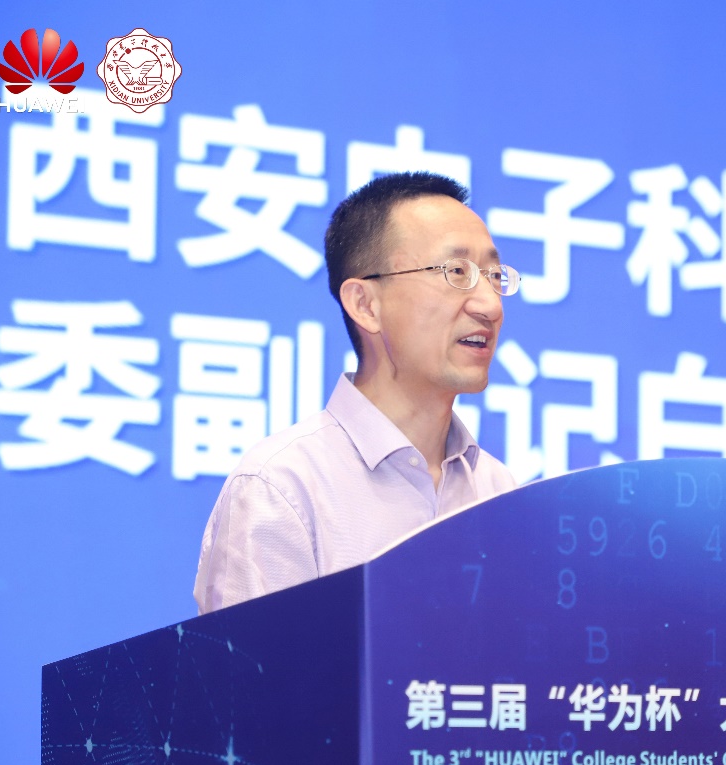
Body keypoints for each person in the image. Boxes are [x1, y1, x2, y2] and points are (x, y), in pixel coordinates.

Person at [193, 172, 518, 614]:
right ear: (366, 305)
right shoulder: (282, 488)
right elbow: (253, 662)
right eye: (456, 272)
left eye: (494, 275)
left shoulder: (499, 491)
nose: (491, 305)